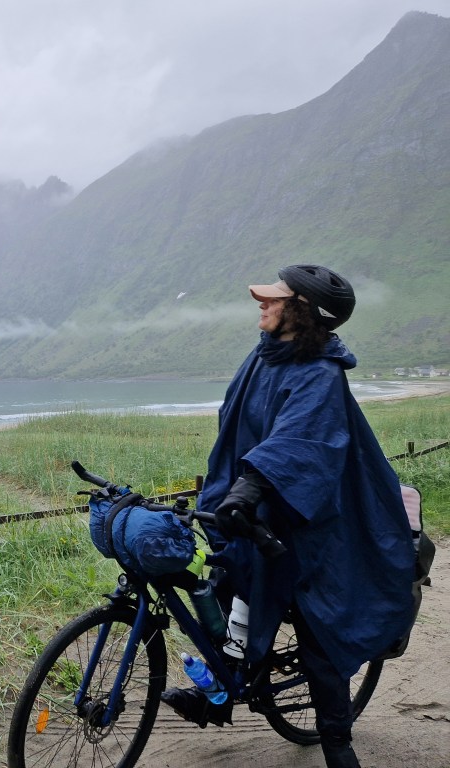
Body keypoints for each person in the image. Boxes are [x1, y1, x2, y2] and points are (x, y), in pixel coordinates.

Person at [160, 264, 417, 768]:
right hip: (256, 505)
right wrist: (230, 493)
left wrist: (251, 484)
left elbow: (301, 440)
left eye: (275, 297)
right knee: (231, 587)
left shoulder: (321, 374)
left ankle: (337, 742)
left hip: (315, 519)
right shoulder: (264, 357)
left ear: (302, 310)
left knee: (318, 625)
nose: (263, 301)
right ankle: (220, 696)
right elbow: (239, 427)